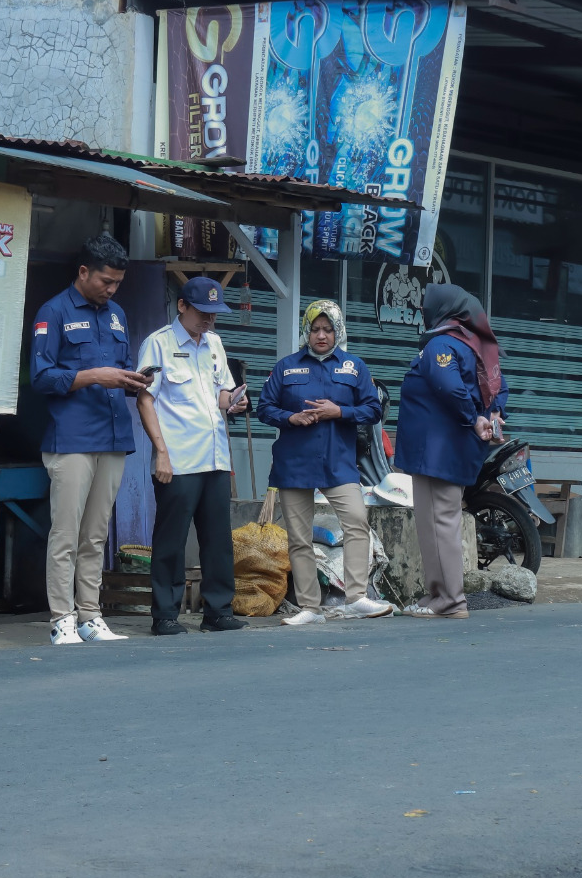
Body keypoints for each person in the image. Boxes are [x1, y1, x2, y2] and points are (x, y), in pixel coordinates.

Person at [30, 234, 152, 645]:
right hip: (72, 438)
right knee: (66, 533)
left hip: (114, 435)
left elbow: (122, 367)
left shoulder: (116, 314)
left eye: (118, 282)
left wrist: (133, 380)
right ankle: (61, 618)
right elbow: (41, 377)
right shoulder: (54, 312)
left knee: (95, 535)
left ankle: (90, 616)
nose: (113, 289)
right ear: (83, 272)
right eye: (106, 281)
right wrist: (94, 376)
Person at [257, 299, 391, 626]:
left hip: (338, 462)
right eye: (315, 329)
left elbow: (374, 410)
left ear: (337, 331)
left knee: (357, 522)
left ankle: (357, 598)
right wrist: (291, 417)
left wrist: (340, 412)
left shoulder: (354, 368)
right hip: (294, 463)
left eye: (327, 329)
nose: (321, 335)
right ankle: (310, 608)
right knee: (299, 537)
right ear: (307, 331)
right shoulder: (286, 367)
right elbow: (264, 408)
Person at [135, 277, 249, 636]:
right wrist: (161, 454)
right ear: (182, 306)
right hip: (179, 460)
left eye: (215, 314)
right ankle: (165, 615)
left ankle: (218, 610)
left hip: (214, 457)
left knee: (217, 538)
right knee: (171, 539)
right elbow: (145, 399)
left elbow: (221, 395)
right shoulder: (158, 344)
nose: (210, 321)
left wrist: (234, 402)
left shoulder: (214, 344)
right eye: (203, 313)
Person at [394, 283, 508, 621]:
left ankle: (450, 599)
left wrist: (473, 418)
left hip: (438, 451)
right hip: (445, 449)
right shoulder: (477, 345)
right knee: (438, 522)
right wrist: (492, 416)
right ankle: (439, 595)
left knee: (439, 522)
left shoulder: (442, 344)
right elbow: (500, 389)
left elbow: (447, 385)